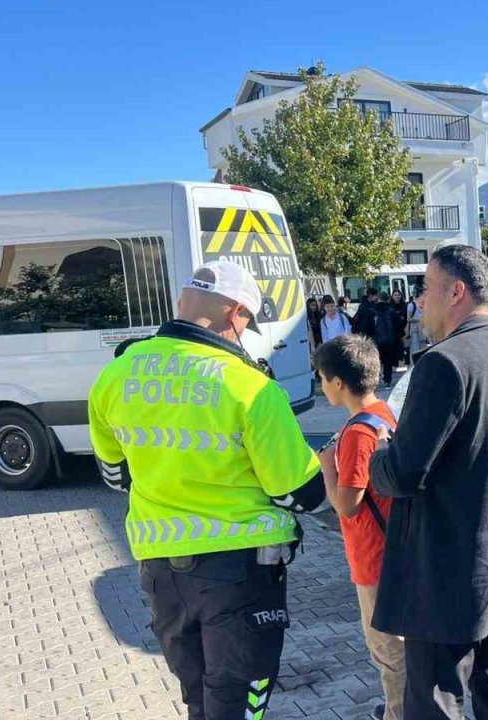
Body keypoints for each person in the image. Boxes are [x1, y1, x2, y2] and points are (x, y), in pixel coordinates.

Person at [88, 260, 326, 720]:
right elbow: (300, 493)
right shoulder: (250, 387)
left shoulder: (114, 377)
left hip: (161, 570)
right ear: (235, 313)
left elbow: (116, 477)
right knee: (237, 701)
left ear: (183, 301)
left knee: (198, 696)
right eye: (247, 322)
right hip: (241, 571)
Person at [370, 244, 488, 720]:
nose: (420, 301)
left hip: (445, 570)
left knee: (437, 701)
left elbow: (402, 474)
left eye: (426, 288)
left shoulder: (443, 364)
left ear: (457, 292)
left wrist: (380, 451)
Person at [314, 335, 405, 720]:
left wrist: (326, 468)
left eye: (321, 377)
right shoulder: (383, 413)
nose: (320, 385)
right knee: (400, 646)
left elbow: (347, 505)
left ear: (337, 383)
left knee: (388, 650)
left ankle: (400, 714)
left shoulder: (356, 434)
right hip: (396, 551)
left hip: (373, 559)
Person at [370, 291, 399, 387]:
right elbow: (398, 326)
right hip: (390, 340)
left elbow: (367, 326)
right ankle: (388, 380)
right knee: (387, 361)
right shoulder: (392, 311)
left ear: (378, 298)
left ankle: (375, 381)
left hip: (376, 340)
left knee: (376, 361)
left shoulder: (372, 310)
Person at [406, 289, 429, 365]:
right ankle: (414, 365)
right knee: (415, 348)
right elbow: (409, 319)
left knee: (423, 348)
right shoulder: (411, 305)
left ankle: (422, 364)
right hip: (414, 329)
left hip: (422, 329)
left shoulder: (424, 305)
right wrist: (420, 320)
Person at [389, 289, 409, 367]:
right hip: (394, 330)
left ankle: (405, 360)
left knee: (405, 346)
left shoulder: (405, 306)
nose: (397, 297)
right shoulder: (390, 306)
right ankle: (395, 362)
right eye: (395, 295)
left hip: (403, 329)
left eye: (398, 295)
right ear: (392, 296)